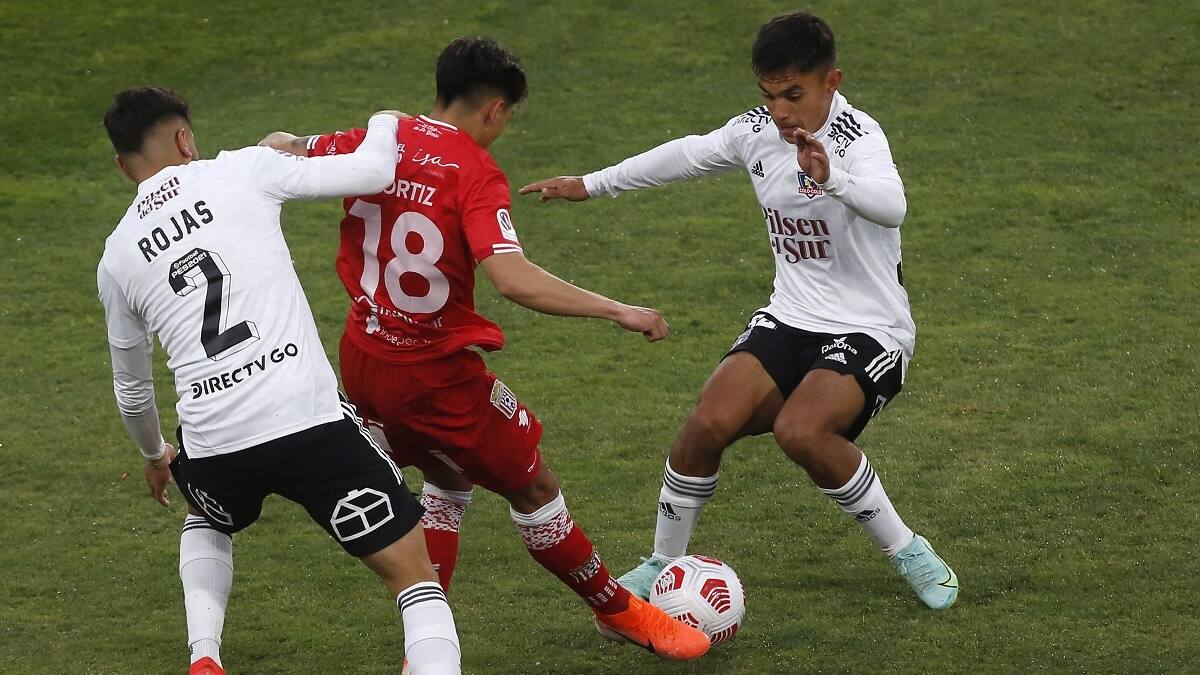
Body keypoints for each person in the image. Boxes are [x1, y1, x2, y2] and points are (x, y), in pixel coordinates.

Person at [259, 37, 710, 660]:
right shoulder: (472, 171)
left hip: (363, 361)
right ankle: (616, 611)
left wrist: (283, 141)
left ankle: (425, 644)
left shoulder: (376, 140)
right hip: (435, 377)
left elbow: (288, 148)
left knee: (445, 476)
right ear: (495, 109)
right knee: (535, 489)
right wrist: (617, 309)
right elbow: (511, 278)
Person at [520, 11, 959, 611]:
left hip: (870, 329)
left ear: (832, 82)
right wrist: (592, 183)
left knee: (801, 431)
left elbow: (892, 206)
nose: (780, 110)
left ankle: (906, 548)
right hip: (790, 316)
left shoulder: (861, 138)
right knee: (704, 425)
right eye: (770, 94)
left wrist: (833, 180)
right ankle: (662, 563)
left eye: (794, 94)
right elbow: (687, 154)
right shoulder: (756, 132)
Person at [98, 87, 461, 675]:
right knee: (416, 578)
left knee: (206, 513)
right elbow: (372, 168)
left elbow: (131, 389)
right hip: (309, 424)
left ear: (123, 165)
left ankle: (205, 656)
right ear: (186, 139)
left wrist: (155, 454)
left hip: (216, 445)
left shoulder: (116, 256)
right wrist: (383, 120)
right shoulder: (242, 168)